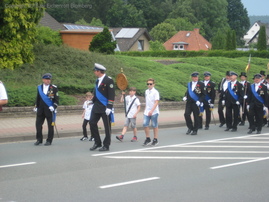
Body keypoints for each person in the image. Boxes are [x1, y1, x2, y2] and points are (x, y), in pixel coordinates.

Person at [89, 63, 115, 152]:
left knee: (107, 127)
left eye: (95, 71)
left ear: (99, 71)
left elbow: (112, 94)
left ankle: (106, 145)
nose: (94, 72)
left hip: (105, 107)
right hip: (96, 106)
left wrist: (109, 107)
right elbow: (96, 92)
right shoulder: (97, 80)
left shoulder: (108, 80)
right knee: (92, 122)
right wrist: (92, 101)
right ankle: (97, 142)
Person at [34, 73, 59, 146]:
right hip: (41, 110)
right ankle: (39, 139)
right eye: (47, 79)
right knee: (38, 125)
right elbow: (38, 98)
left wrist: (53, 107)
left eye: (49, 79)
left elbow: (56, 100)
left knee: (50, 126)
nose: (48, 81)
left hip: (49, 110)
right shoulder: (39, 87)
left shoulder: (54, 88)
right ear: (43, 80)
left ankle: (49, 140)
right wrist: (36, 106)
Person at [143, 78, 160, 146]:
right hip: (147, 111)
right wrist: (146, 110)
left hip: (154, 111)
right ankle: (148, 138)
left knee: (154, 125)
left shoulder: (156, 92)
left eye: (150, 84)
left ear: (153, 84)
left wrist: (152, 110)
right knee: (145, 124)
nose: (149, 85)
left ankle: (155, 139)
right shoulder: (146, 91)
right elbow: (147, 102)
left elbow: (156, 102)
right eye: (148, 84)